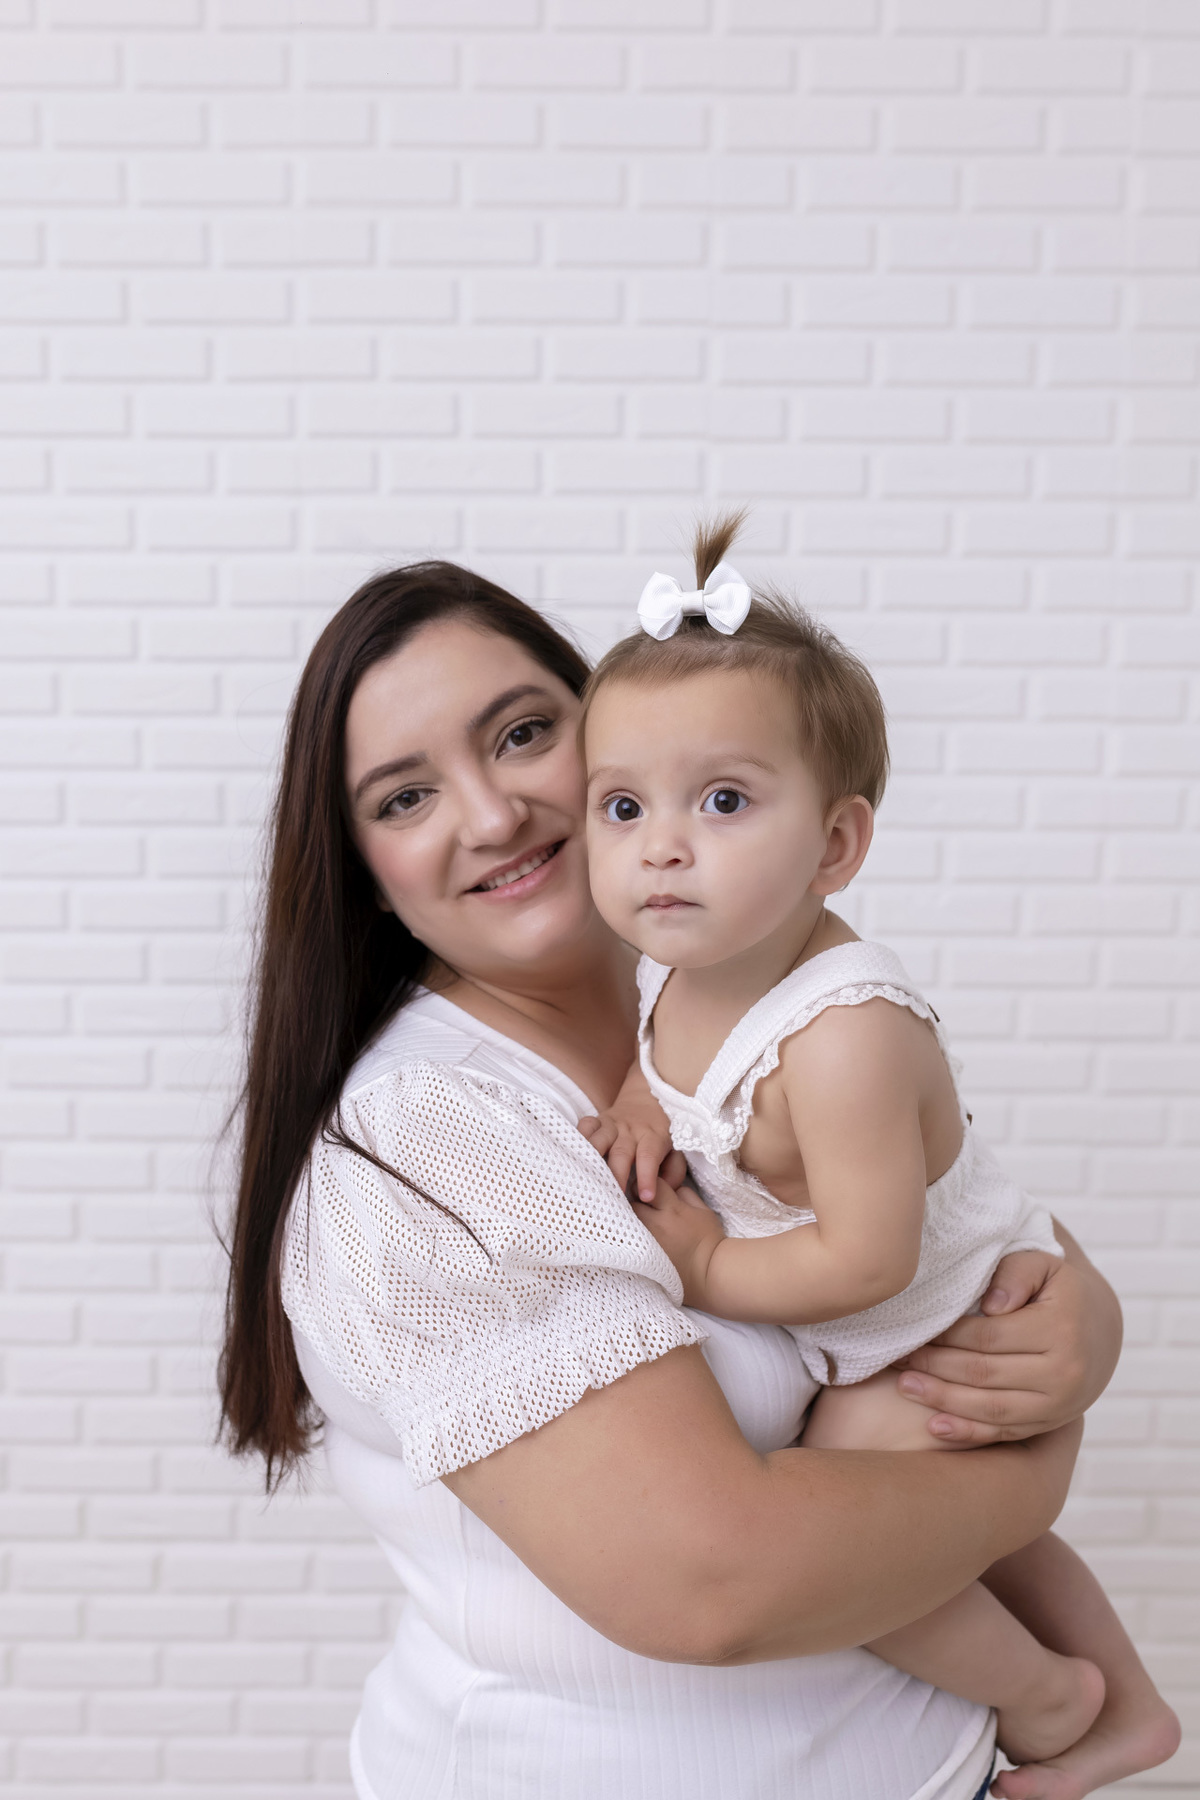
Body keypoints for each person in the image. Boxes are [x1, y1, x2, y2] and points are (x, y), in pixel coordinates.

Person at [219, 558, 1127, 1800]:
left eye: (525, 734)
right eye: (406, 798)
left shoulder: (728, 988)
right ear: (365, 872)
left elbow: (950, 1209)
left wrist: (1077, 1326)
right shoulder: (425, 1134)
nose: (491, 817)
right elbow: (716, 1584)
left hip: (941, 1761)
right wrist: (1038, 1457)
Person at [579, 516, 1180, 1800]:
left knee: (838, 1543)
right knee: (971, 1542)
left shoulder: (845, 1035)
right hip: (872, 1310)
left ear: (837, 846)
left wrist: (705, 1266)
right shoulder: (680, 960)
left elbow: (869, 1253)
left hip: (935, 1312)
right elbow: (664, 1053)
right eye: (622, 805)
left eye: (723, 801)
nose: (660, 845)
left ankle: (1058, 1702)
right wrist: (637, 1098)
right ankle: (1129, 1703)